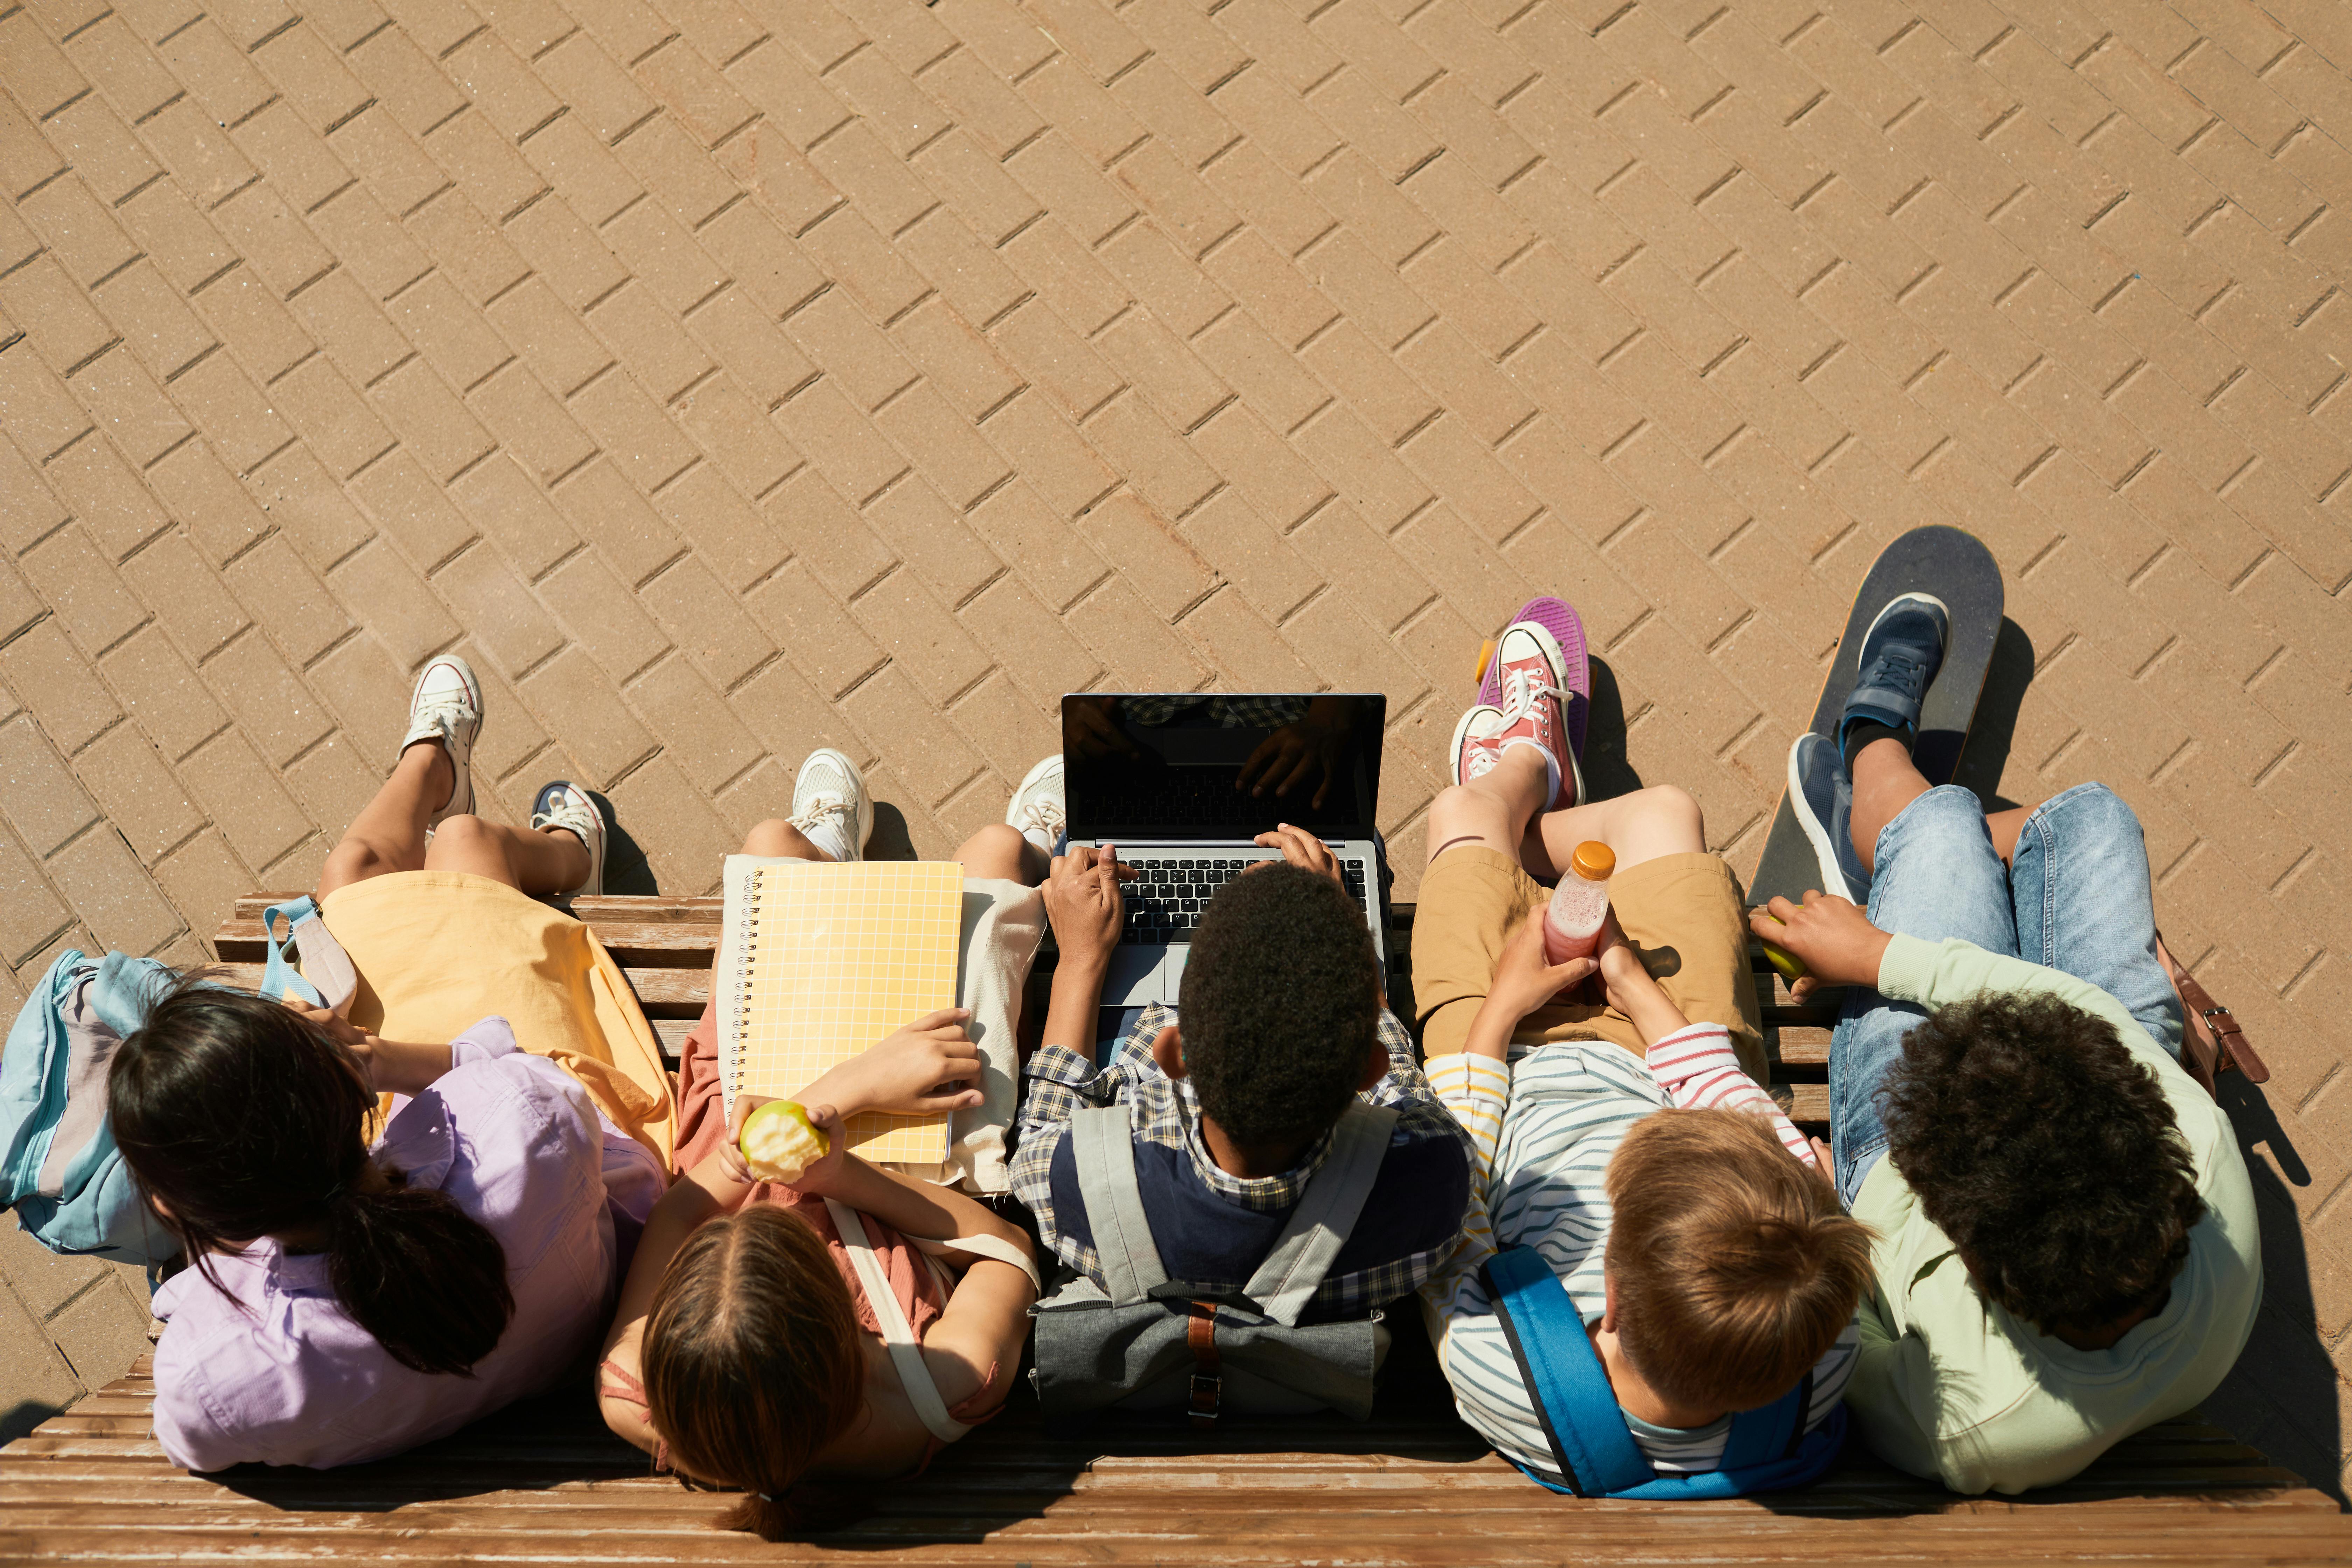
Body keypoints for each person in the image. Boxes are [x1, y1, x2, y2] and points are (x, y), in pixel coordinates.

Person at [115, 655, 668, 1469]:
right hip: (549, 1217)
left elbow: (187, 1420)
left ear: (178, 1209)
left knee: (356, 880)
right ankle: (548, 843)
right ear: (335, 1082)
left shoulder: (218, 1382)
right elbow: (507, 1061)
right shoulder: (519, 1130)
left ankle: (437, 764)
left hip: (385, 1182)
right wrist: (383, 1063)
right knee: (451, 852)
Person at [1765, 593, 2261, 1494]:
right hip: (2090, 1077)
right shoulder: (2197, 1158)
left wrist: (1818, 1201)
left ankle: (1872, 743)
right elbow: (2066, 1003)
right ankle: (1897, 869)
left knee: (1944, 827)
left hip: (1888, 1161)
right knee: (2092, 815)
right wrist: (1877, 952)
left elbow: (1839, 1338)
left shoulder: (1961, 1420)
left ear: (1974, 1258)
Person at [1414, 620, 1869, 1484]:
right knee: (1667, 810)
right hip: (1672, 1048)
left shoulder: (1507, 1373)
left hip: (1498, 1071)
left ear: (1611, 1299)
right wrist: (1628, 978)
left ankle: (1521, 770)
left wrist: (1503, 1011)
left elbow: (1451, 1211)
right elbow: (1748, 1121)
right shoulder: (1816, 1331)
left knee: (1460, 813)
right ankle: (1520, 804)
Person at [595, 749, 1055, 1536]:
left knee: (773, 846)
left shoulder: (637, 1397)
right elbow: (1010, 1251)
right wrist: (838, 1168)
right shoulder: (945, 1387)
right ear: (842, 1319)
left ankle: (831, 863)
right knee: (996, 855)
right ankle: (1004, 851)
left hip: (747, 1140)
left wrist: (829, 1100)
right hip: (899, 1166)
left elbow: (680, 1215)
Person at [1010, 823, 1471, 1329]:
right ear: (1368, 1069)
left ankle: (1050, 836)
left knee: (1069, 847)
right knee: (1367, 843)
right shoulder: (1436, 1182)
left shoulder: (1080, 1184)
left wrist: (1080, 959)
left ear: (1173, 1051)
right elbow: (1402, 1082)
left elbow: (1040, 1136)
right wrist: (1340, 929)